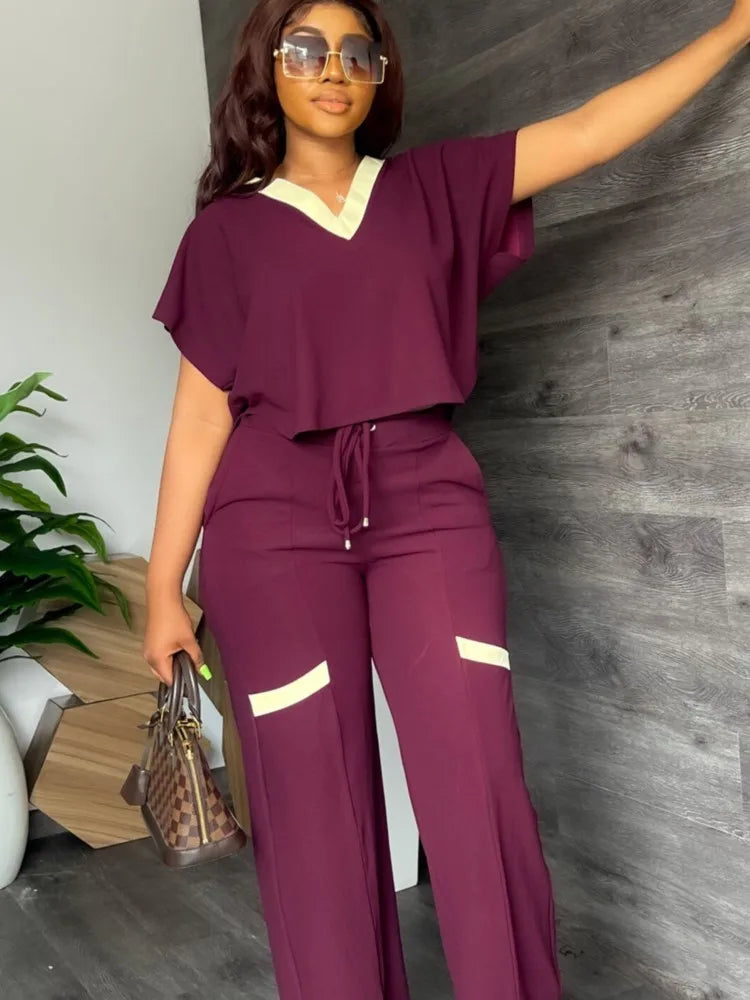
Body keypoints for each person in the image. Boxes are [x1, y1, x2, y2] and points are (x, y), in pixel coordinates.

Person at [143, 1, 750, 997]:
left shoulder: (435, 188)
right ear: (268, 69)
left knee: (479, 785)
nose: (333, 69)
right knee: (313, 816)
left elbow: (591, 131)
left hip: (428, 502)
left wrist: (734, 29)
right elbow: (202, 418)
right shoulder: (226, 235)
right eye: (307, 49)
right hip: (271, 527)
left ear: (379, 76)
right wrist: (163, 585)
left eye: (357, 53)